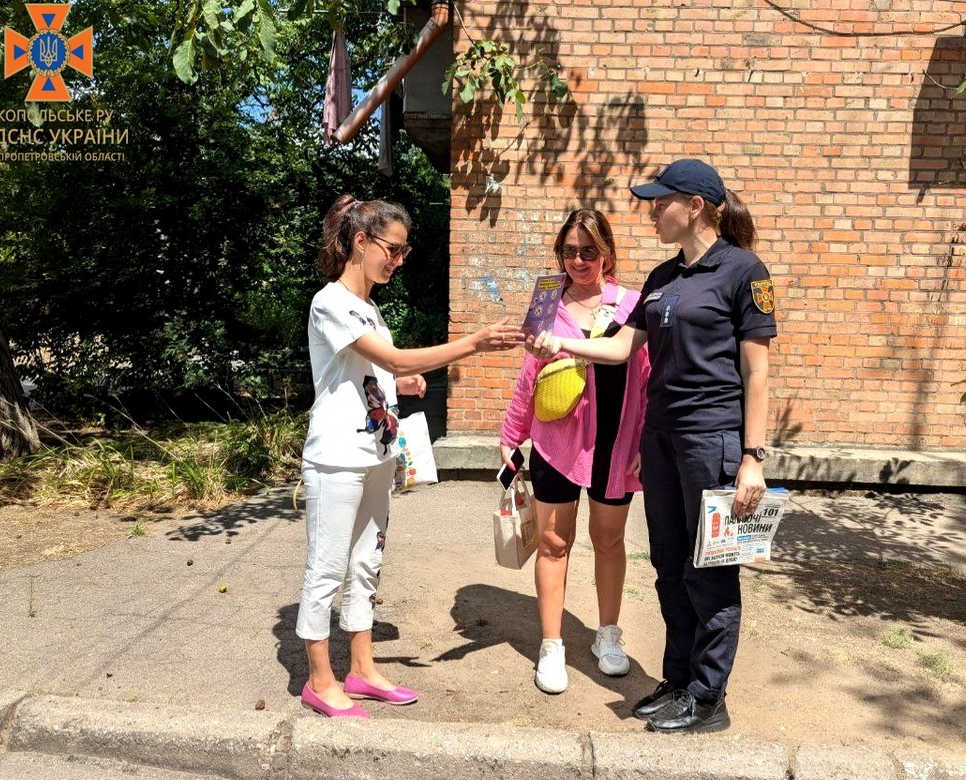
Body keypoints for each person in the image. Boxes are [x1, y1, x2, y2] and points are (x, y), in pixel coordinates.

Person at [527, 161, 777, 733]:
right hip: (661, 442)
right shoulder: (662, 278)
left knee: (710, 569)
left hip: (712, 439)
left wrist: (751, 457)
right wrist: (559, 342)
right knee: (667, 563)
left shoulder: (743, 271)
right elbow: (619, 351)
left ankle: (709, 696)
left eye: (658, 201)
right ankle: (679, 678)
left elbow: (756, 374)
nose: (650, 212)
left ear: (693, 205)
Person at [298, 195, 523, 718]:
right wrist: (472, 343)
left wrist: (400, 382)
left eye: (403, 252)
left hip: (375, 454)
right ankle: (318, 678)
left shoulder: (369, 308)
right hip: (337, 458)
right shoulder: (329, 302)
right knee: (327, 568)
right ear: (361, 241)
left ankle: (362, 668)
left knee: (366, 564)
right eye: (392, 250)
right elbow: (388, 355)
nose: (397, 261)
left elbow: (368, 370)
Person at [499, 209, 650, 695]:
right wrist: (512, 430)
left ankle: (607, 635)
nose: (578, 260)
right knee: (553, 542)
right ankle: (551, 644)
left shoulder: (630, 303)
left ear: (606, 250)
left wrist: (646, 438)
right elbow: (530, 370)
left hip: (615, 441)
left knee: (608, 539)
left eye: (588, 250)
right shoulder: (548, 298)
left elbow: (649, 376)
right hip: (556, 439)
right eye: (569, 251)